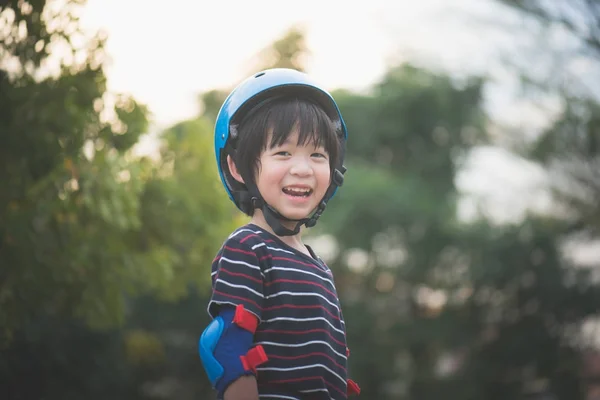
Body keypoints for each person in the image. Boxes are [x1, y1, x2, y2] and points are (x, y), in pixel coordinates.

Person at [199, 68, 360, 400]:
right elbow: (227, 350)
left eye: (317, 154)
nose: (302, 169)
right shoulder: (248, 248)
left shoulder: (320, 269)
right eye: (283, 153)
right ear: (237, 167)